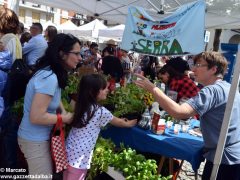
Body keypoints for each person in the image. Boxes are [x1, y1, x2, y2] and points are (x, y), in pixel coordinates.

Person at [134, 51, 240, 180]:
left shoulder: (211, 90)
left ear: (213, 69)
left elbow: (179, 112)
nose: (193, 69)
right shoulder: (228, 87)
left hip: (223, 159)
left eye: (199, 65)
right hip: (233, 155)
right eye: (194, 64)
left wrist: (153, 89)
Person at [17, 33, 81, 177]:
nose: (80, 58)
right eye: (76, 53)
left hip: (37, 138)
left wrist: (63, 111)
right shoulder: (49, 77)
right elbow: (36, 116)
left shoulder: (51, 73)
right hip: (34, 140)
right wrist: (65, 118)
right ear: (62, 54)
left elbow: (53, 97)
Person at [63, 74, 137, 180]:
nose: (107, 90)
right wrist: (130, 123)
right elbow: (118, 122)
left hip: (69, 152)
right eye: (104, 88)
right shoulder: (100, 111)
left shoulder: (80, 104)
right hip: (79, 159)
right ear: (93, 92)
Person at [0, 6, 22, 169]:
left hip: (5, 90)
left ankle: (10, 166)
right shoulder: (13, 38)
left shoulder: (8, 39)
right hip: (9, 89)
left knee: (7, 129)